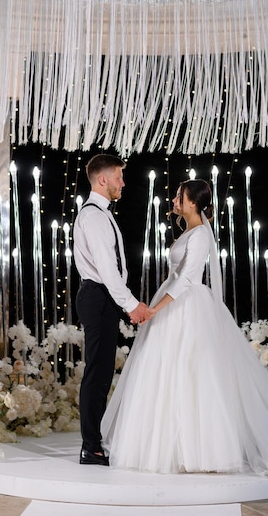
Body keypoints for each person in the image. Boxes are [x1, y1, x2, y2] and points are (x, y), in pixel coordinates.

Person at [102, 179, 268, 515]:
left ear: (193, 203)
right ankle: (167, 446)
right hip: (173, 304)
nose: (173, 200)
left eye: (179, 196)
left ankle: (201, 450)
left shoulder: (201, 234)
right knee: (166, 374)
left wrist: (155, 309)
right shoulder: (188, 232)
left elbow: (188, 279)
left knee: (193, 375)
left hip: (186, 307)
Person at [73, 154, 151, 466]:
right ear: (102, 179)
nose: (123, 182)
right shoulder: (93, 216)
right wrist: (131, 305)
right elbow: (107, 269)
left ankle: (96, 441)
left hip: (104, 297)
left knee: (104, 371)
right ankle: (90, 447)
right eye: (118, 176)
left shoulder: (101, 213)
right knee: (97, 373)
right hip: (98, 296)